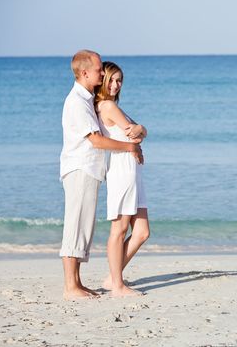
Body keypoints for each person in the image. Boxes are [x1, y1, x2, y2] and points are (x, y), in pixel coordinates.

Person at [59, 50, 143, 300]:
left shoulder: (86, 100)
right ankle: (70, 287)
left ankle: (77, 283)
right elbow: (96, 141)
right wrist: (131, 146)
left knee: (83, 227)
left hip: (90, 170)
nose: (102, 73)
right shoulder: (76, 102)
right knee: (75, 227)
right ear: (85, 73)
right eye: (98, 70)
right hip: (80, 167)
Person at [94, 61, 150, 297]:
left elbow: (141, 131)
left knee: (142, 232)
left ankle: (112, 277)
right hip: (122, 169)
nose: (116, 85)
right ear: (103, 81)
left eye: (119, 81)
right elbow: (135, 135)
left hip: (132, 169)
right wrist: (139, 132)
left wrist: (141, 129)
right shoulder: (107, 105)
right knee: (119, 229)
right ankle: (117, 284)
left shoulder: (115, 106)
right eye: (112, 80)